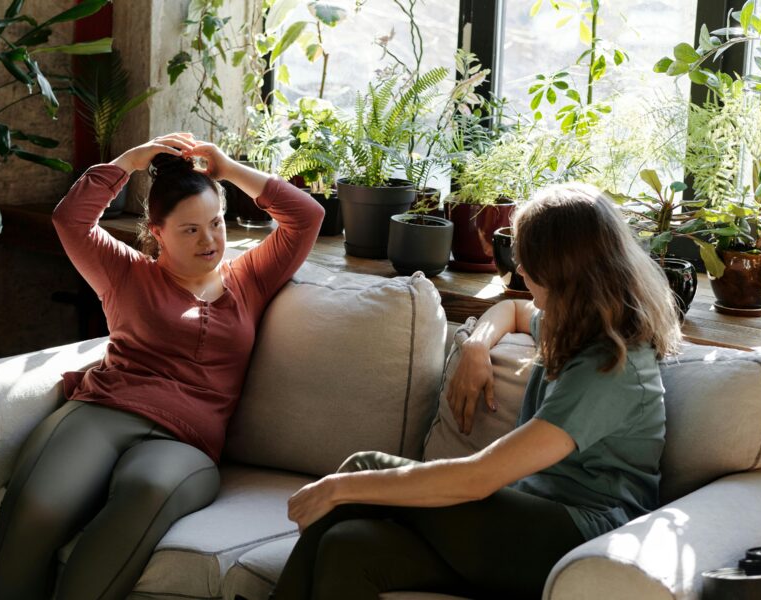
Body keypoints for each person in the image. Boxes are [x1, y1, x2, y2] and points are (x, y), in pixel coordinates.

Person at [271, 182, 682, 600]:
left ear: (563, 270)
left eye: (527, 260)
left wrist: (337, 488)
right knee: (351, 549)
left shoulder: (610, 368)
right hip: (524, 527)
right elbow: (516, 310)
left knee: (361, 468)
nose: (520, 270)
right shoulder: (575, 322)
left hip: (578, 538)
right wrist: (476, 344)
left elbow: (479, 478)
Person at [0, 132, 325, 600]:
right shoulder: (126, 272)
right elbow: (71, 219)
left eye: (216, 223)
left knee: (145, 492)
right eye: (190, 229)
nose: (209, 240)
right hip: (103, 411)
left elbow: (307, 216)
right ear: (157, 230)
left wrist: (226, 169)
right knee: (38, 504)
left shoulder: (249, 278)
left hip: (186, 441)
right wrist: (128, 161)